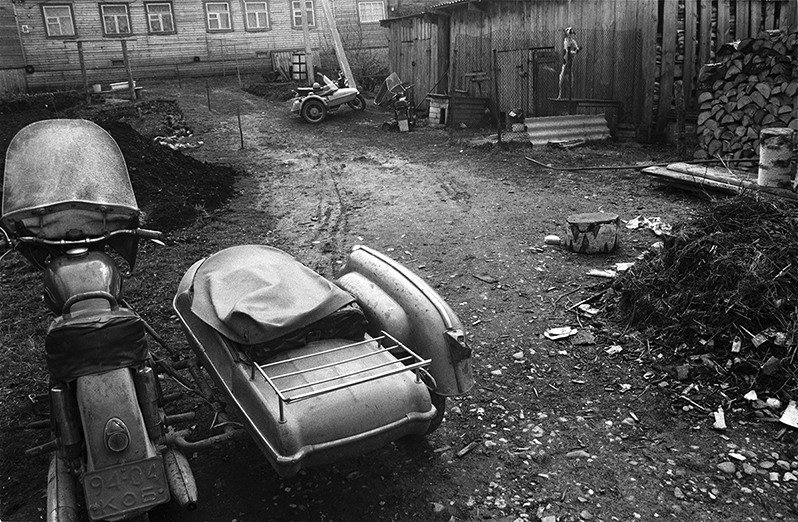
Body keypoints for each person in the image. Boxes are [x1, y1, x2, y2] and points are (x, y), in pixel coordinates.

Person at [558, 27, 581, 99]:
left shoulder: (573, 42)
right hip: (565, 63)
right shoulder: (565, 41)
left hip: (570, 65)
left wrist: (577, 50)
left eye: (571, 33)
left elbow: (577, 49)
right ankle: (560, 95)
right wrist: (574, 52)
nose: (570, 35)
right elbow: (567, 52)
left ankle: (570, 96)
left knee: (571, 80)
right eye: (569, 33)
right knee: (561, 80)